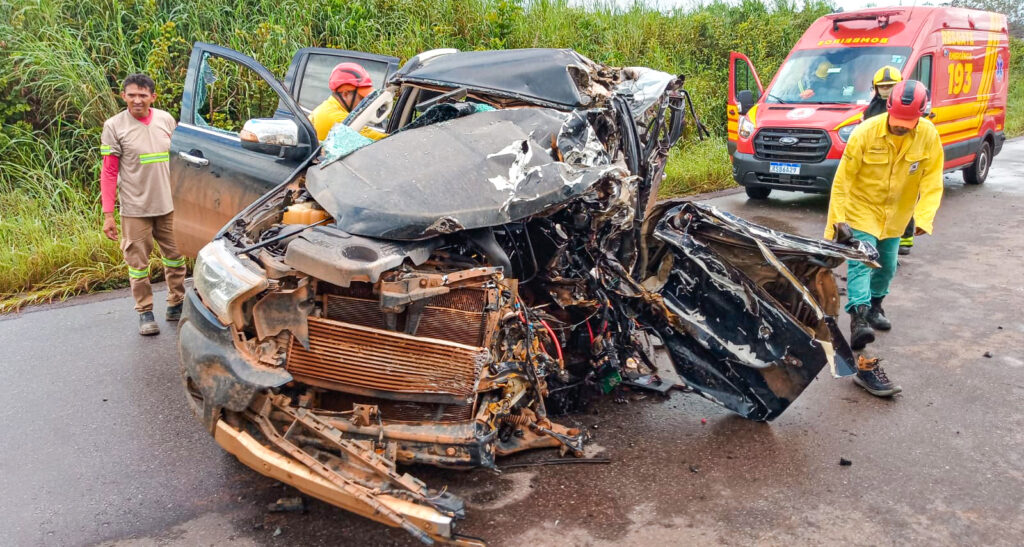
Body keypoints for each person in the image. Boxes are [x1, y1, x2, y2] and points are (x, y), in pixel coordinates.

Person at [824, 79, 944, 397]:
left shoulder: (929, 136)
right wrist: (837, 224)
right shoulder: (866, 132)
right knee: (865, 263)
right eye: (897, 121)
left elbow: (933, 179)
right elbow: (843, 181)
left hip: (897, 217)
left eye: (909, 123)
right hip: (862, 210)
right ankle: (859, 317)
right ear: (888, 108)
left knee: (888, 266)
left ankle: (876, 306)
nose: (902, 128)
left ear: (921, 114)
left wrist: (925, 217)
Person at [100, 73, 186, 336]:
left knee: (176, 259)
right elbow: (109, 172)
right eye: (132, 95)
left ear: (152, 97)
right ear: (123, 96)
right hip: (135, 210)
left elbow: (180, 162)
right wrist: (108, 214)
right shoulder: (114, 126)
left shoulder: (166, 120)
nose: (137, 100)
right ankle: (145, 312)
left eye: (143, 95)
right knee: (137, 266)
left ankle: (176, 303)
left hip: (169, 206)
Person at [863, 65, 918, 256]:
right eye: (883, 87)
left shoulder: (908, 105)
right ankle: (880, 236)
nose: (886, 90)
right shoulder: (872, 108)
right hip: (878, 162)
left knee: (903, 199)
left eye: (891, 86)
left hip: (902, 160)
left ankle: (905, 239)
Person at [308, 62, 386, 142]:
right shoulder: (336, 118)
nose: (366, 103)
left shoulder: (328, 108)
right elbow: (384, 141)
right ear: (345, 94)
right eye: (362, 98)